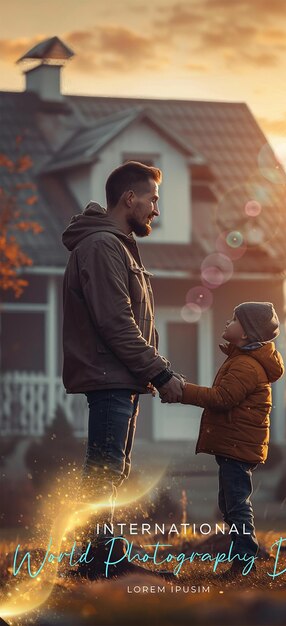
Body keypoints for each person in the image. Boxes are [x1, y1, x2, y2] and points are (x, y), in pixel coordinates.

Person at [62, 161, 183, 578]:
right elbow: (116, 322)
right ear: (129, 198)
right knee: (104, 471)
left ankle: (96, 558)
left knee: (110, 469)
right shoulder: (101, 247)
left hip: (122, 378)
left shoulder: (117, 244)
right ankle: (100, 562)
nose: (156, 209)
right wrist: (161, 373)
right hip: (109, 376)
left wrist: (149, 372)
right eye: (152, 199)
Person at [161, 301, 284, 580]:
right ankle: (240, 556)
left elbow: (222, 398)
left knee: (237, 504)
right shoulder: (241, 360)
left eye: (234, 319)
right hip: (235, 446)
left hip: (238, 448)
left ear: (247, 333)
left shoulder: (246, 365)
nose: (227, 323)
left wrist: (183, 392)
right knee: (229, 503)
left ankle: (245, 559)